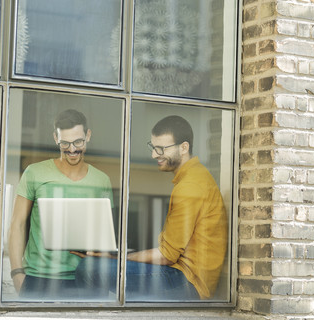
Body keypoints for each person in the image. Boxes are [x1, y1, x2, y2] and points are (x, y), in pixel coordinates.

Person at [74, 115, 227, 301]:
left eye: (161, 148)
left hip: (188, 282)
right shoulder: (193, 178)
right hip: (180, 274)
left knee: (90, 268)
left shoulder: (191, 186)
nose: (154, 155)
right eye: (153, 147)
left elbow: (166, 256)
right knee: (99, 265)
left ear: (184, 147)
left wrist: (114, 258)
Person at [8, 109, 113, 300]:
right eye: (65, 143)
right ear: (56, 138)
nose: (72, 149)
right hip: (38, 278)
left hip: (87, 278)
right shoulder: (34, 173)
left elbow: (105, 234)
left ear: (88, 136)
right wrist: (17, 274)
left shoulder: (101, 180)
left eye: (78, 142)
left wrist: (96, 249)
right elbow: (17, 225)